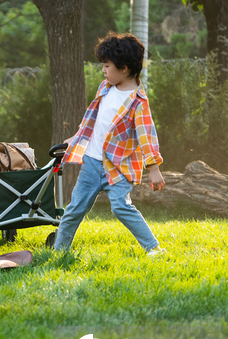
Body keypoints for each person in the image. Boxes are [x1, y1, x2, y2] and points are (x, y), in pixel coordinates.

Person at [54, 32, 166, 255]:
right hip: (92, 163)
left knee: (121, 206)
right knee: (74, 209)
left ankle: (153, 248)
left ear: (123, 67)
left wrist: (153, 167)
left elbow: (147, 135)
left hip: (118, 167)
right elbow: (93, 120)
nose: (103, 70)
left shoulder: (138, 102)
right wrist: (75, 138)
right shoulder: (105, 88)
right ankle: (58, 252)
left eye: (107, 66)